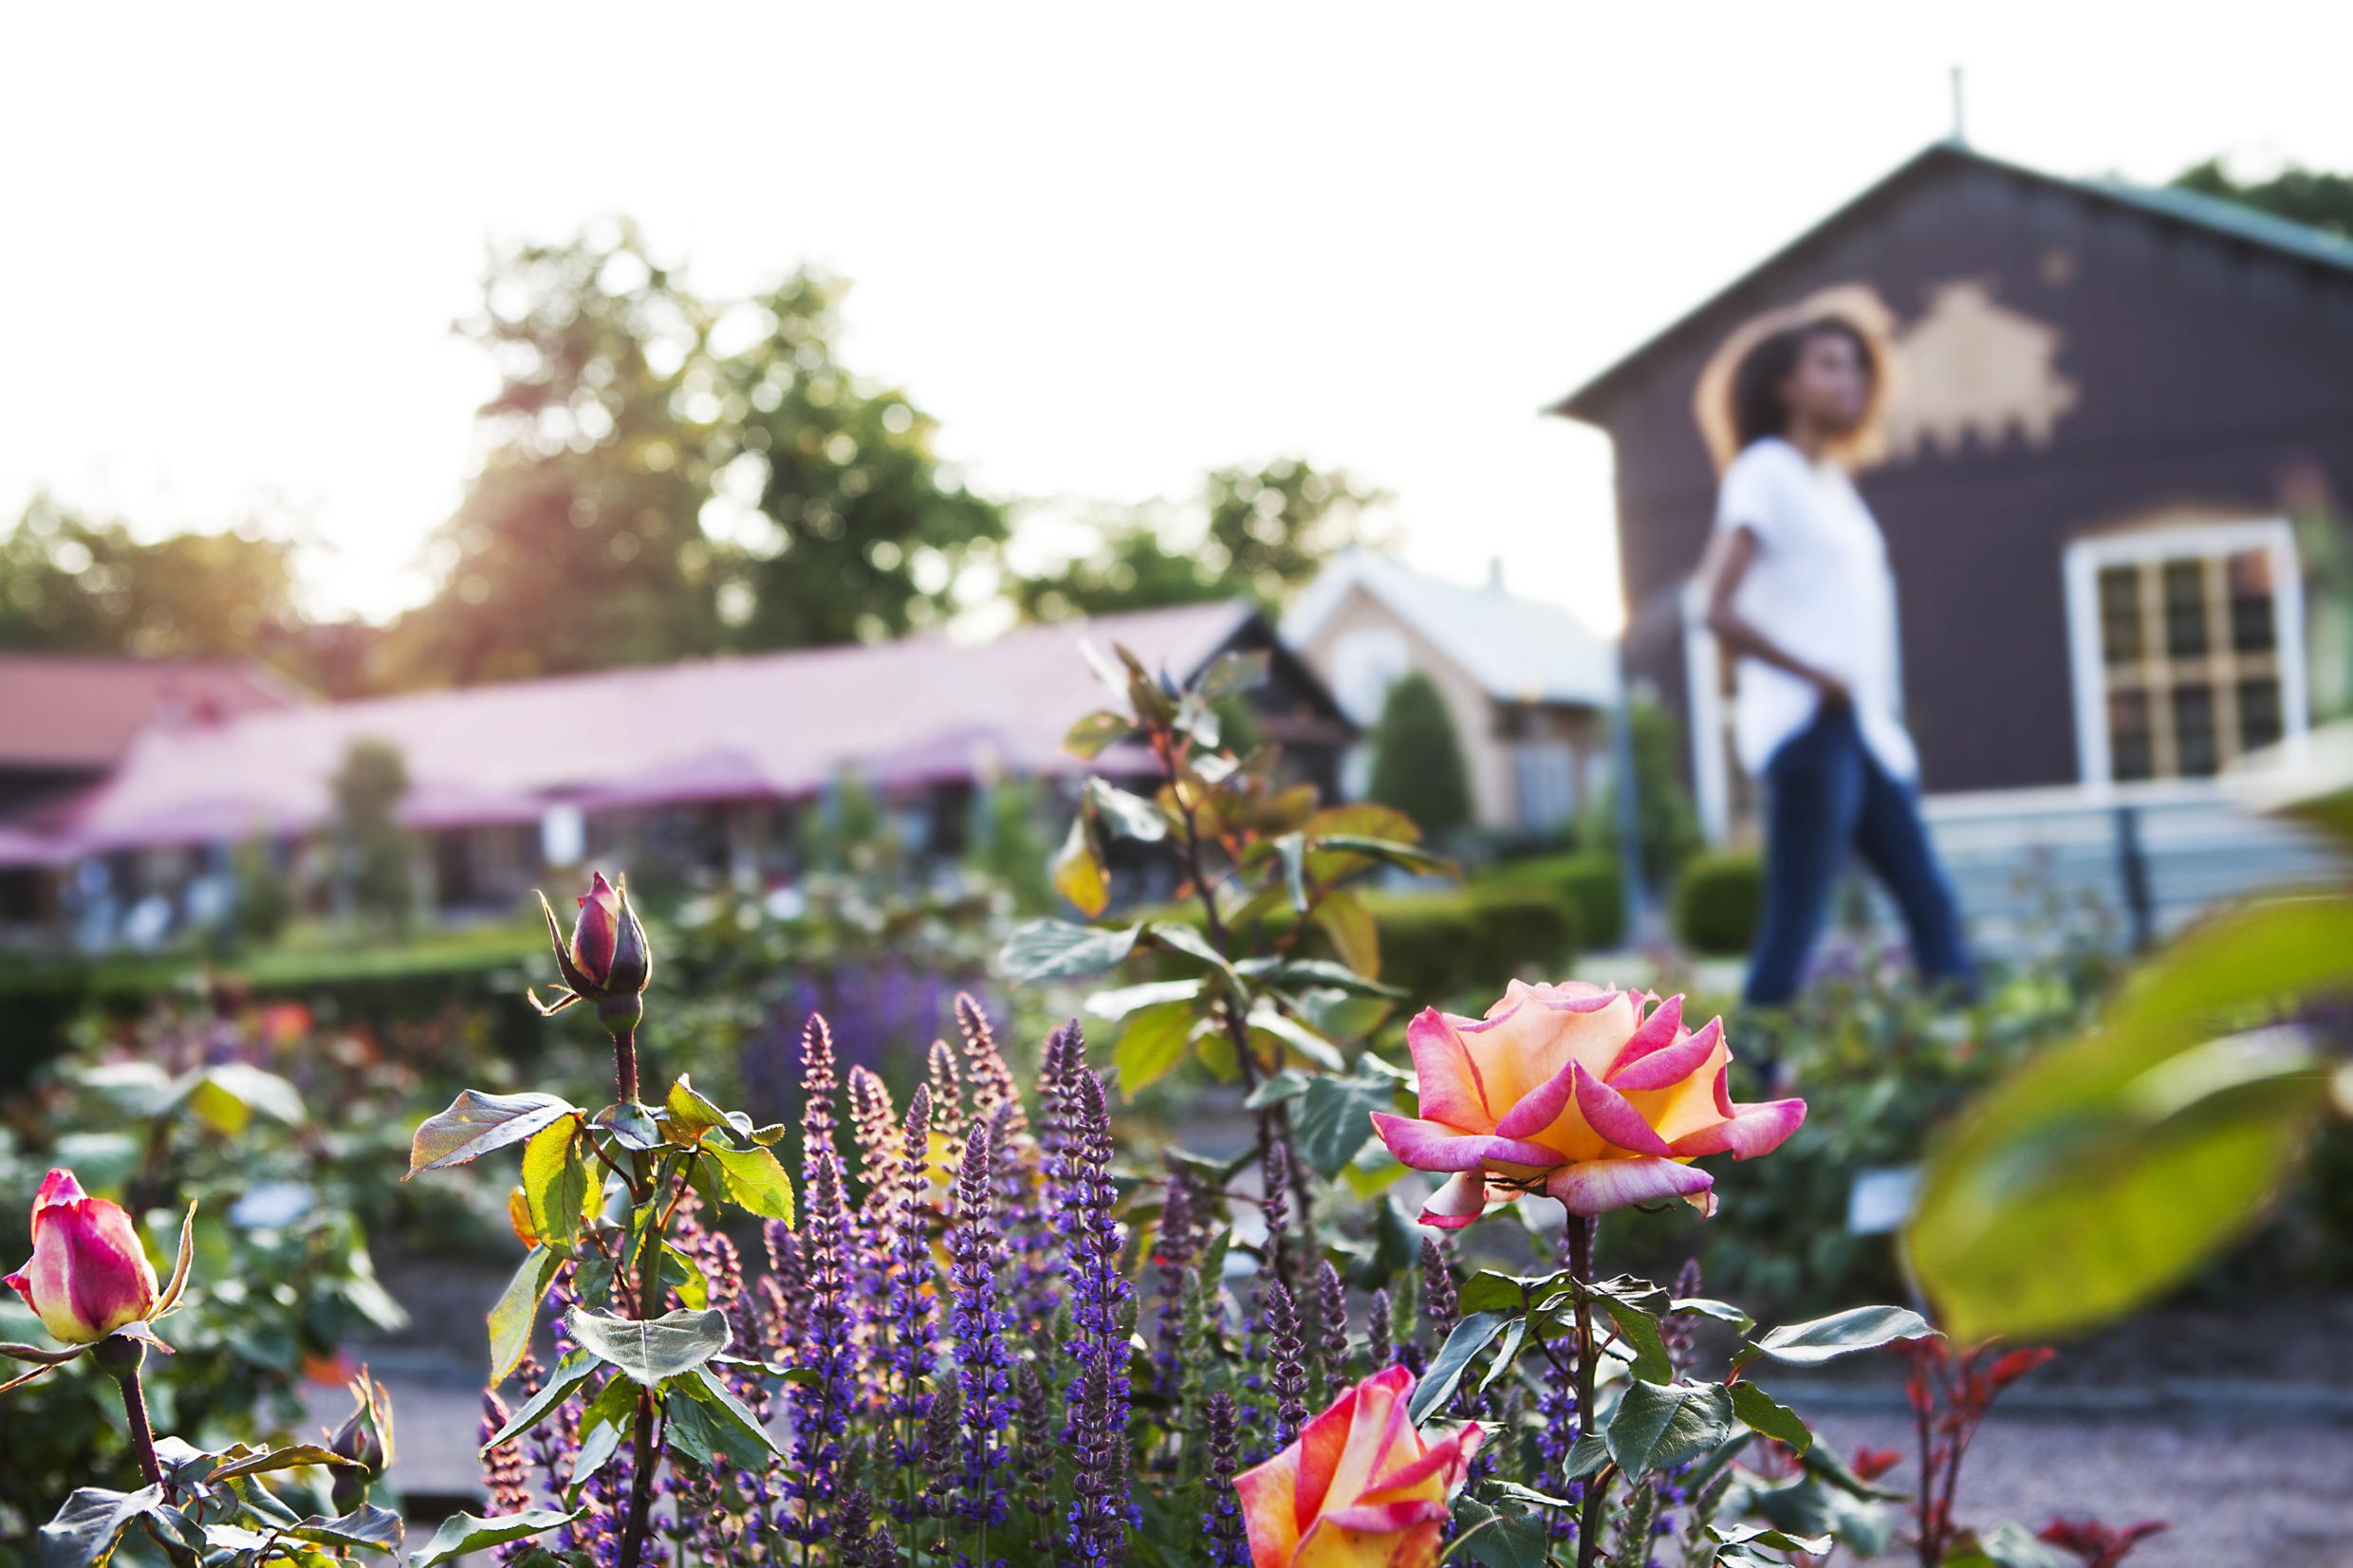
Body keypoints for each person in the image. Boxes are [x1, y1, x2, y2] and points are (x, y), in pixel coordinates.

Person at [1699, 313, 1974, 1007]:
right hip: (1810, 733)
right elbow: (1716, 607)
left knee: (1932, 908)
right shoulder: (1766, 471)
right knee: (1794, 928)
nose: (1848, 378)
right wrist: (1812, 672)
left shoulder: (1831, 485)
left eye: (1854, 364)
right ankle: (1737, 1096)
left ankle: (1973, 1075)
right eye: (1827, 363)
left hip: (1866, 734)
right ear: (1787, 385)